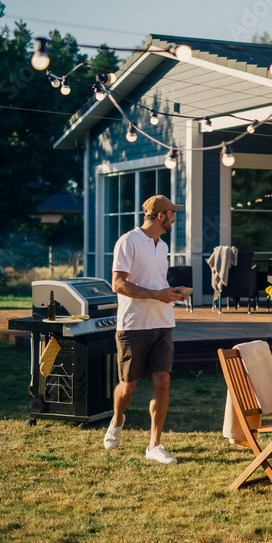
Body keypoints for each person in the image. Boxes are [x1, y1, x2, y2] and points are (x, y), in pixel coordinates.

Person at [104, 195, 187, 464]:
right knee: (128, 387)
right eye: (173, 214)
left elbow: (156, 283)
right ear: (160, 215)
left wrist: (172, 293)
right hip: (133, 325)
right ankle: (117, 419)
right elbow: (118, 285)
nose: (175, 218)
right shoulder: (127, 242)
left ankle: (154, 445)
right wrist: (157, 295)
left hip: (163, 323)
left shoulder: (162, 246)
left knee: (162, 382)